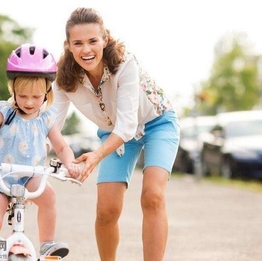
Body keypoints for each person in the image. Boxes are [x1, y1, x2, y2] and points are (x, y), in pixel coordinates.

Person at [52, 7, 180, 261]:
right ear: (68, 46)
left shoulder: (125, 63)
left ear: (105, 40)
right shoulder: (64, 79)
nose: (86, 50)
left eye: (92, 41)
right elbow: (51, 125)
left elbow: (126, 126)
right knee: (106, 211)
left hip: (157, 123)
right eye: (78, 43)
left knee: (152, 196)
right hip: (115, 134)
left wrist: (95, 156)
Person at [0, 43, 81, 261]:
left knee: (48, 196)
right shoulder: (3, 112)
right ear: (13, 90)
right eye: (22, 95)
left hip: (29, 176)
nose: (29, 102)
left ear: (47, 92)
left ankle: (47, 244)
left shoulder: (46, 118)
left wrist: (70, 163)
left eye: (36, 97)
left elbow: (62, 147)